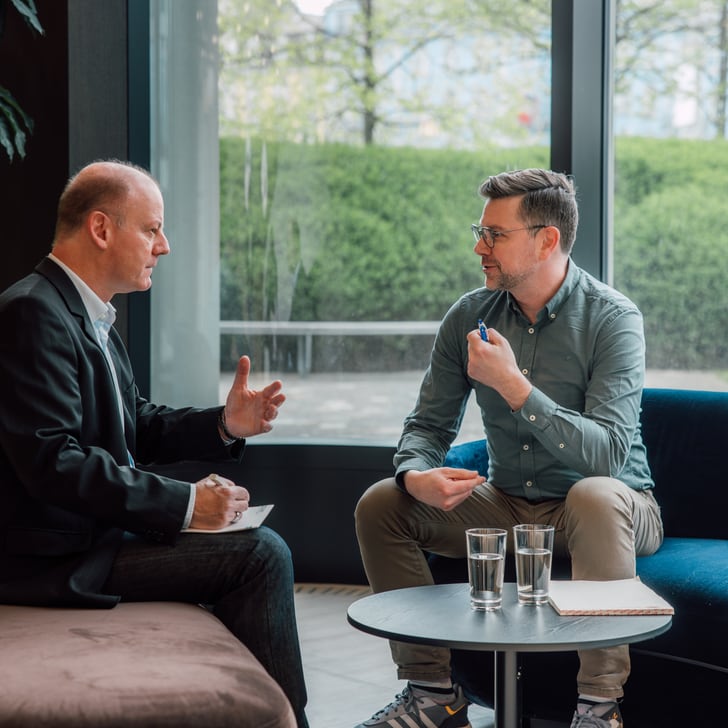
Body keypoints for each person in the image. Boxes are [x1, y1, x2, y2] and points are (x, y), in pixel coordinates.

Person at [0, 159, 309, 727]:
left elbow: (133, 422)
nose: (163, 246)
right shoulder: (31, 313)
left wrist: (225, 424)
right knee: (261, 554)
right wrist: (188, 503)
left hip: (93, 537)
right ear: (100, 229)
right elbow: (53, 461)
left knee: (257, 549)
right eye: (151, 228)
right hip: (53, 558)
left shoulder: (84, 312)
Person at [354, 168, 663, 728]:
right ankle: (433, 696)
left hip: (616, 508)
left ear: (546, 240)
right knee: (383, 502)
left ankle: (599, 708)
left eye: (495, 234)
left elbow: (609, 458)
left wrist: (515, 387)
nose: (479, 246)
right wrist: (415, 472)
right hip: (511, 504)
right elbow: (427, 424)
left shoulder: (614, 318)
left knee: (593, 494)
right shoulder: (468, 316)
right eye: (481, 230)